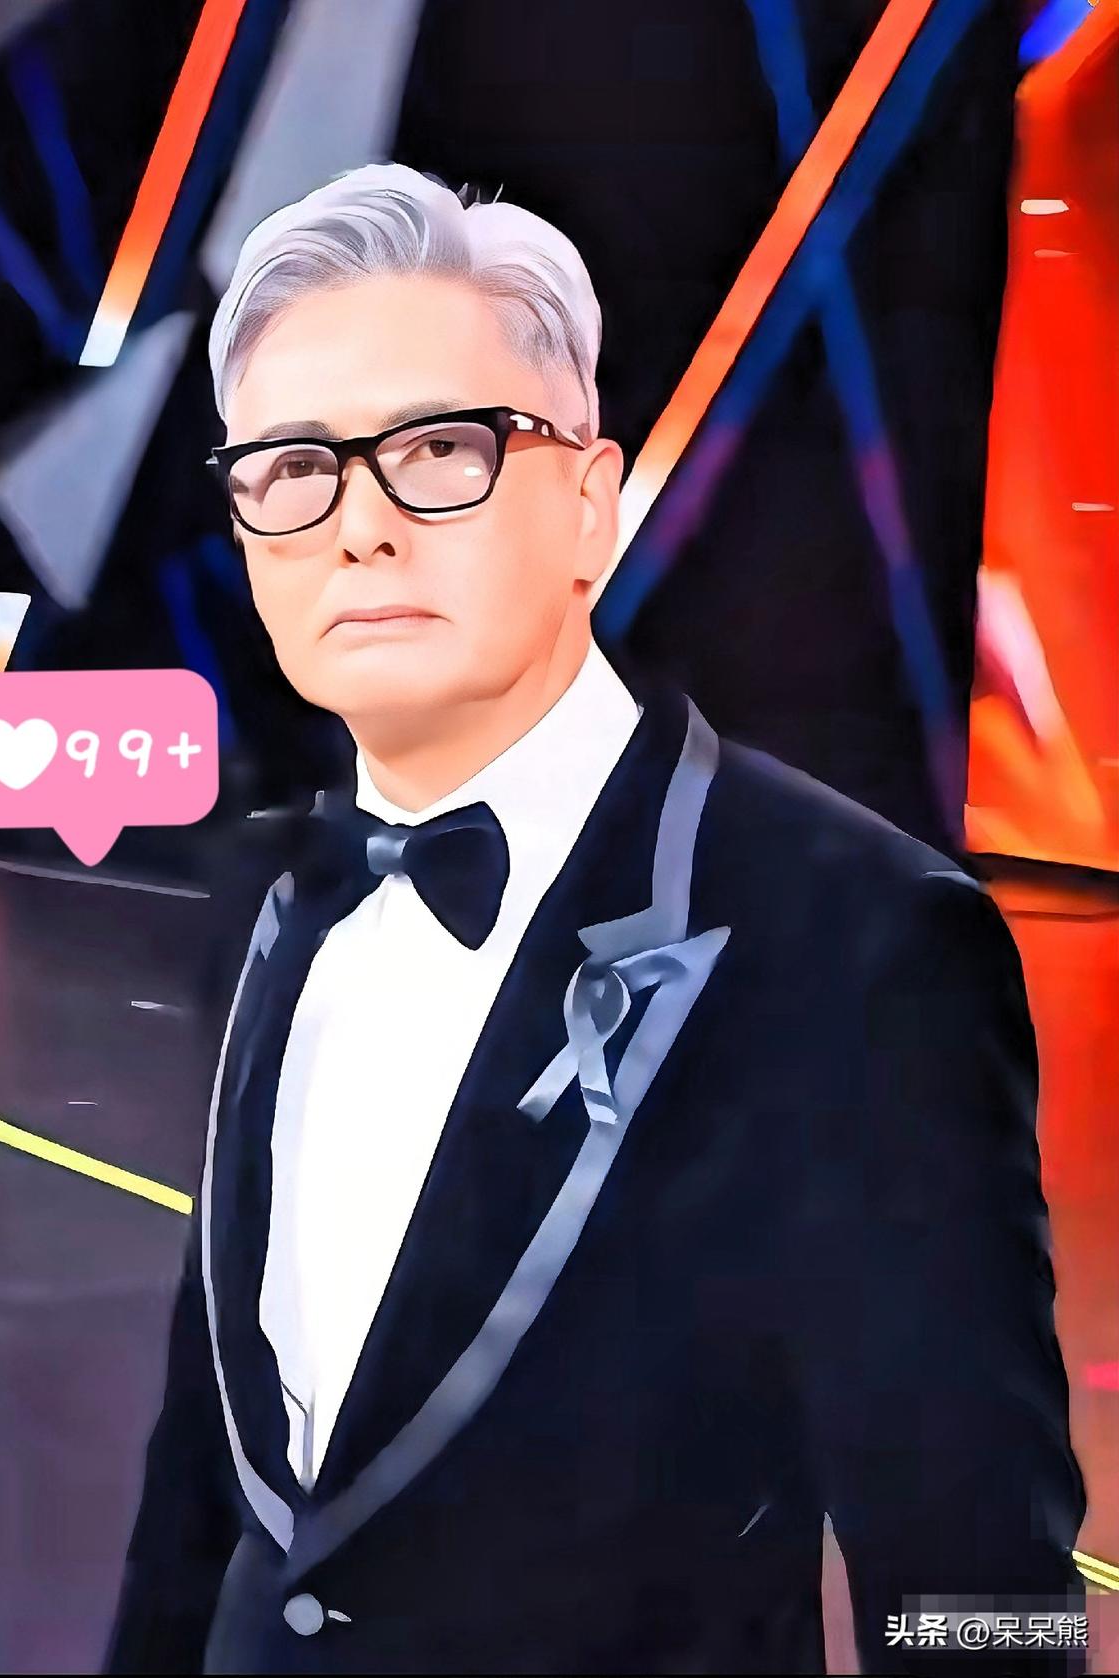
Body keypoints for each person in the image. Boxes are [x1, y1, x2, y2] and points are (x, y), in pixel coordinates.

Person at [104, 163, 1086, 1676]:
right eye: (294, 467)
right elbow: (204, 1471)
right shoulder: (275, 893)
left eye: (439, 448)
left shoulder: (857, 944)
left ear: (587, 501)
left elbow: (978, 1589)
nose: (359, 526)